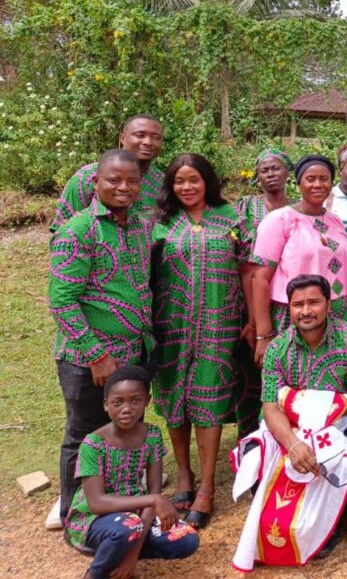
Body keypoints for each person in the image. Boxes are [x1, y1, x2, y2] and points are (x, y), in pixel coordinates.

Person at [232, 274, 347, 569]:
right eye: (298, 304)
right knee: (256, 455)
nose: (306, 311)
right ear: (289, 309)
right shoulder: (276, 349)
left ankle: (325, 524)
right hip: (288, 426)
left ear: (328, 305)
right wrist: (294, 443)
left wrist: (311, 409)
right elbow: (270, 406)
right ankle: (282, 522)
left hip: (343, 423)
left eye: (313, 302)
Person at [50, 149, 155, 524]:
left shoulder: (141, 226)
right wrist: (97, 355)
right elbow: (62, 301)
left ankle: (114, 510)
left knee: (119, 433)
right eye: (114, 180)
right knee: (83, 435)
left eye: (132, 181)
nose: (123, 187)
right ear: (95, 182)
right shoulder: (78, 230)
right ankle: (74, 516)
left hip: (131, 354)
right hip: (86, 359)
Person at [151, 153, 244, 529]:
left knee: (209, 397)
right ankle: (184, 475)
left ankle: (206, 487)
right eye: (179, 181)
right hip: (170, 325)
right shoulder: (159, 224)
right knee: (175, 399)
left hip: (218, 326)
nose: (186, 187)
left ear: (207, 181)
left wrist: (251, 320)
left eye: (194, 180)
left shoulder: (233, 219)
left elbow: (250, 269)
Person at [63, 365, 199, 579]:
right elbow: (96, 502)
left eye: (135, 400)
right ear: (106, 405)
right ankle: (96, 574)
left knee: (186, 539)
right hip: (93, 519)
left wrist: (132, 555)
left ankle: (120, 551)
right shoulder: (93, 443)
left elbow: (153, 495)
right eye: (118, 402)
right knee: (129, 526)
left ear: (147, 401)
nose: (127, 409)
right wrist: (153, 500)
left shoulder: (152, 435)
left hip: (134, 516)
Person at [249, 154, 347, 362]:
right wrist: (263, 334)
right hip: (298, 315)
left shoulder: (335, 221)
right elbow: (259, 278)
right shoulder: (280, 220)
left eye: (324, 179)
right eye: (311, 179)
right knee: (295, 379)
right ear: (298, 183)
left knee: (332, 378)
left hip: (338, 313)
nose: (318, 184)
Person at [234, 148, 292, 437]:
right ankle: (249, 439)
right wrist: (254, 320)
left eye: (276, 168)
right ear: (257, 175)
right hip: (251, 299)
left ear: (287, 173)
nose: (271, 174)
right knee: (251, 374)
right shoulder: (247, 208)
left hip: (286, 302)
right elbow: (247, 266)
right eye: (265, 170)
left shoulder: (297, 209)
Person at [50, 115, 166, 234]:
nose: (148, 142)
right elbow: (62, 232)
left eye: (156, 137)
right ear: (122, 138)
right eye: (140, 135)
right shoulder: (87, 177)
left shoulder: (161, 182)